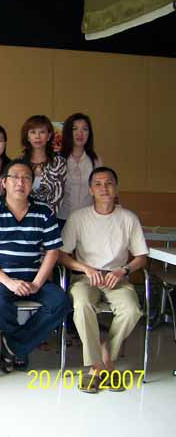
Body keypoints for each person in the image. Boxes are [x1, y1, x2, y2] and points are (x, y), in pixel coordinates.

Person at [0, 159, 71, 373]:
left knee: (60, 302)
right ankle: (19, 347)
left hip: (34, 277)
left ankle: (14, 344)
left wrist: (36, 284)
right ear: (4, 183)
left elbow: (53, 251)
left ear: (32, 183)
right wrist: (8, 282)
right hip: (1, 278)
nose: (20, 182)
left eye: (26, 177)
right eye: (14, 177)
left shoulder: (44, 212)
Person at [58, 167, 147, 393]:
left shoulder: (128, 218)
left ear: (116, 189)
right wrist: (85, 268)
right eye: (98, 184)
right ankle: (96, 367)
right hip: (86, 277)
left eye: (108, 183)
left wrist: (124, 270)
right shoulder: (79, 218)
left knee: (132, 310)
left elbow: (141, 257)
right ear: (90, 190)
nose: (104, 188)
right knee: (82, 304)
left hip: (117, 277)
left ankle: (107, 352)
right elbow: (62, 255)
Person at [57, 113, 103, 228]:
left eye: (85, 129)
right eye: (75, 129)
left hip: (88, 217)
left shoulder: (95, 159)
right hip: (62, 218)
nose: (80, 133)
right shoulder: (58, 158)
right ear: (68, 132)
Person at [19, 115, 67, 213]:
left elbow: (58, 197)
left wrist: (45, 219)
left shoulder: (59, 163)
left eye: (42, 132)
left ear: (49, 136)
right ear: (27, 137)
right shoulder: (19, 162)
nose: (37, 136)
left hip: (49, 219)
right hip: (23, 218)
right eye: (33, 132)